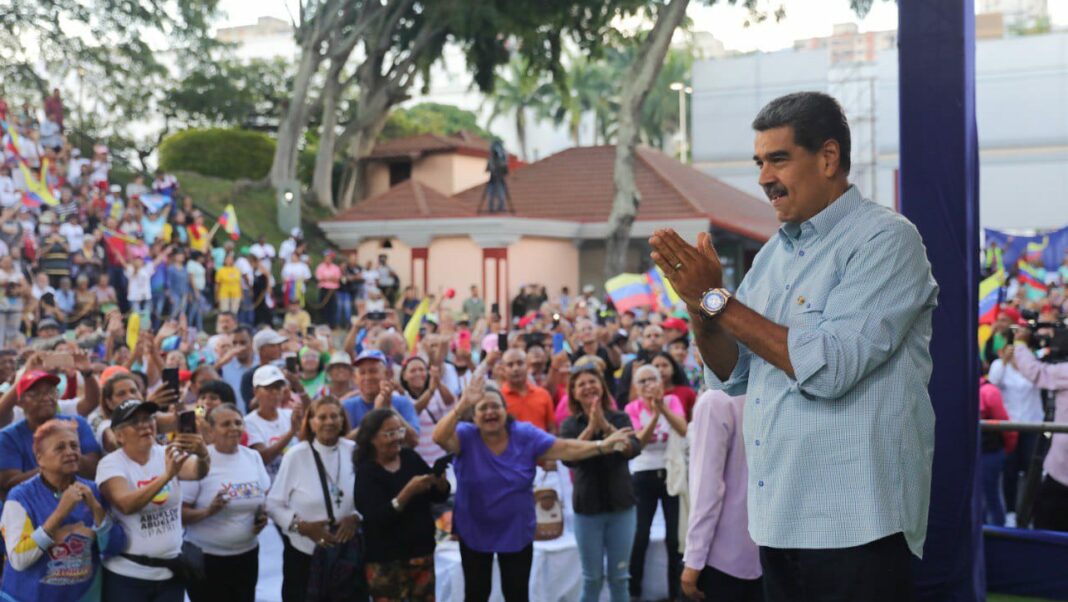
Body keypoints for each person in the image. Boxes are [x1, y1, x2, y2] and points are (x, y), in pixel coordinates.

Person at [650, 91, 938, 600]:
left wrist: (716, 298)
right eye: (760, 162)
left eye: (778, 159)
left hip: (857, 525)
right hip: (777, 522)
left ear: (828, 158)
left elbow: (829, 367)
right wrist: (700, 307)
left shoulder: (886, 240)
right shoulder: (771, 258)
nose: (764, 178)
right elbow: (731, 374)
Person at [432, 374, 634, 602]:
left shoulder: (524, 434)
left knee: (517, 594)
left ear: (505, 409)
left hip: (515, 529)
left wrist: (601, 445)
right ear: (474, 414)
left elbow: (565, 447)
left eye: (495, 406)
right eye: (482, 408)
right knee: (477, 594)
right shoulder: (465, 435)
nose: (490, 412)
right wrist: (462, 405)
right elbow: (439, 437)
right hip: (474, 529)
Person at [96, 398, 210, 601]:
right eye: (134, 422)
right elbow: (126, 504)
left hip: (170, 573)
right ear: (119, 435)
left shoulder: (165, 453)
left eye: (148, 418)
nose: (144, 425)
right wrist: (166, 476)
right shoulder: (110, 464)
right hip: (128, 577)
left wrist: (203, 456)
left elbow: (197, 472)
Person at [1, 419, 123, 601]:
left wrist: (96, 508)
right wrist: (60, 513)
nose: (70, 452)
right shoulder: (20, 497)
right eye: (60, 447)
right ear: (39, 458)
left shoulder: (93, 491)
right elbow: (19, 559)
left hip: (83, 596)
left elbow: (113, 547)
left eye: (74, 445)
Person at [558, 365, 642, 602]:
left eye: (592, 382)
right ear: (573, 393)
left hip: (622, 507)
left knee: (619, 578)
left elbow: (632, 449)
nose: (588, 387)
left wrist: (605, 427)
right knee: (592, 578)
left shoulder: (620, 417)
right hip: (588, 510)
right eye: (581, 384)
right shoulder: (570, 425)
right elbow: (567, 457)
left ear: (602, 388)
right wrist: (591, 429)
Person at [266, 396, 358, 602]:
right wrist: (302, 527)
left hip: (345, 551)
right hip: (304, 553)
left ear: (342, 420)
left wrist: (355, 517)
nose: (329, 422)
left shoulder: (353, 451)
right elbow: (272, 503)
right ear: (311, 422)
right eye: (322, 416)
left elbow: (366, 495)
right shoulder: (296, 455)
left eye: (335, 416)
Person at [354, 408, 449, 601]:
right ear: (372, 438)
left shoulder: (410, 458)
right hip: (386, 561)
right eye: (389, 433)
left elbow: (436, 496)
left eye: (399, 431)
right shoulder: (367, 472)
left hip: (421, 553)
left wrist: (440, 484)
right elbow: (376, 518)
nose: (396, 438)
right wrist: (407, 493)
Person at [182, 404, 271, 602]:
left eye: (238, 423)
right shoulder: (198, 461)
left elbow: (263, 498)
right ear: (211, 430)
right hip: (206, 560)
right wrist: (207, 512)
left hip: (246, 555)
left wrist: (261, 519)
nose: (234, 428)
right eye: (226, 424)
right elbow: (180, 514)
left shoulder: (252, 457)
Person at [682, 390, 763, 602]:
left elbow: (707, 489)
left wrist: (694, 559)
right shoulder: (768, 391)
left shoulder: (715, 400)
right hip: (765, 551)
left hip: (722, 554)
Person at [625, 364, 688, 601]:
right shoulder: (632, 408)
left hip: (670, 474)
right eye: (642, 381)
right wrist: (654, 413)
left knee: (674, 539)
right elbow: (638, 442)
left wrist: (662, 407)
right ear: (635, 387)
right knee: (640, 535)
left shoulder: (671, 402)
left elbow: (682, 429)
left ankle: (676, 594)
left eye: (652, 379)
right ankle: (634, 592)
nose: (648, 384)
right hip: (643, 475)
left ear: (661, 382)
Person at [0, 370, 102, 497]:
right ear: (20, 401)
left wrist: (69, 456)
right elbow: (8, 484)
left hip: (81, 501)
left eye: (51, 391)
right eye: (36, 393)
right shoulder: (8, 437)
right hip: (33, 506)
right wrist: (51, 467)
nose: (47, 397)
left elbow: (95, 469)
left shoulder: (77, 424)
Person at [1008, 331, 1068, 531]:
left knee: (1048, 527)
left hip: (1061, 476)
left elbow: (1034, 371)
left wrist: (1020, 343)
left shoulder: (1064, 372)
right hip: (1059, 472)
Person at [340, 350, 420, 443]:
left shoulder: (403, 403)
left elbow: (414, 441)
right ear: (355, 378)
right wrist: (375, 414)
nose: (368, 377)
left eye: (373, 371)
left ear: (387, 374)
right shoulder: (346, 407)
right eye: (362, 373)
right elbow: (341, 444)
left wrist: (389, 408)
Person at [245, 365, 303, 481]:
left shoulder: (289, 414)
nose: (275, 393)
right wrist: (291, 432)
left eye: (278, 388)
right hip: (271, 487)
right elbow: (263, 457)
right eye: (269, 389)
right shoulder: (248, 422)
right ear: (256, 392)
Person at [399, 356, 456, 464]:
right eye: (412, 370)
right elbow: (413, 411)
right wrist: (430, 391)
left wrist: (438, 381)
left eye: (421, 369)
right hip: (415, 461)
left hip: (440, 458)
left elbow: (450, 402)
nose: (418, 374)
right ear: (404, 376)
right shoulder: (401, 397)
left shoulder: (437, 393)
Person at [979, 376, 1016, 526]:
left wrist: (1008, 447)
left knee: (988, 495)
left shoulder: (988, 391)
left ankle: (995, 531)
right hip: (989, 452)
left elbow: (1006, 426)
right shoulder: (989, 391)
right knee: (987, 495)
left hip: (988, 452)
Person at [499, 349, 556, 433]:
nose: (516, 368)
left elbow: (552, 428)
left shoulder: (543, 394)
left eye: (520, 363)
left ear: (528, 366)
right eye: (510, 365)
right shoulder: (499, 398)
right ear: (503, 370)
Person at [651, 350, 697, 421]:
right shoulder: (648, 394)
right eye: (656, 366)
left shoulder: (687, 392)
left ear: (673, 369)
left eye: (665, 365)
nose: (660, 370)